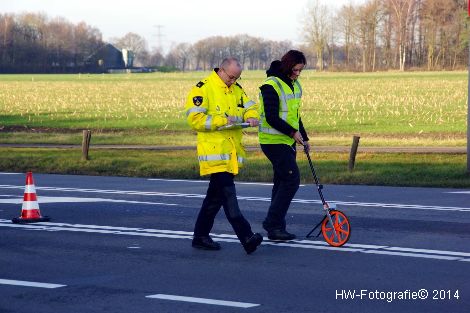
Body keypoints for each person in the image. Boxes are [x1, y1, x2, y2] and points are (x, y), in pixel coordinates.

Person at [184, 57, 263, 254]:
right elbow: (195, 119)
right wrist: (222, 120)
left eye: (236, 78)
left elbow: (250, 105)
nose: (233, 81)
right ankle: (247, 237)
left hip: (231, 154)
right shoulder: (203, 88)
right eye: (231, 77)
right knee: (229, 198)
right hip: (214, 153)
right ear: (221, 70)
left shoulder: (236, 89)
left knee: (214, 199)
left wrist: (251, 116)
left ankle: (200, 237)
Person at [258, 50, 310, 241]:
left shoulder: (294, 84)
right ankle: (272, 223)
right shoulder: (270, 85)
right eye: (296, 70)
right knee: (291, 180)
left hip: (288, 140)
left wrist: (304, 137)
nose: (298, 74)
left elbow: (295, 115)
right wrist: (292, 132)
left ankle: (276, 229)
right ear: (288, 66)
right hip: (273, 141)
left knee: (281, 182)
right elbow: (271, 118)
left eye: (300, 70)